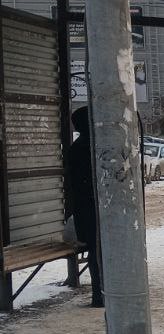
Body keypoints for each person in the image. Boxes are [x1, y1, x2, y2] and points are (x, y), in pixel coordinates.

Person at [65, 107, 104, 308]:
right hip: (92, 210)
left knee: (96, 252)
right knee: (98, 252)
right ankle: (99, 294)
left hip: (85, 211)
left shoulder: (78, 147)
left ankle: (100, 293)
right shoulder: (88, 147)